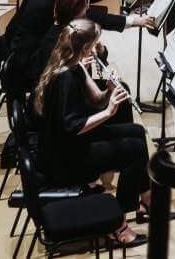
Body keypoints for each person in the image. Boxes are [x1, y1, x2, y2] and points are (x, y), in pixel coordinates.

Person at [33, 19, 150, 247]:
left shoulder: (74, 64)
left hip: (72, 145)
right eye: (96, 43)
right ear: (86, 47)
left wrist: (109, 90)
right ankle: (118, 223)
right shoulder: (66, 76)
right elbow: (72, 127)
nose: (98, 47)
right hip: (64, 159)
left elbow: (96, 100)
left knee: (136, 132)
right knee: (134, 151)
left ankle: (144, 202)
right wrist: (109, 112)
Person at [4, 0, 152, 98]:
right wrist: (134, 20)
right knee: (107, 81)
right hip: (33, 66)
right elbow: (92, 15)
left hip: (19, 54)